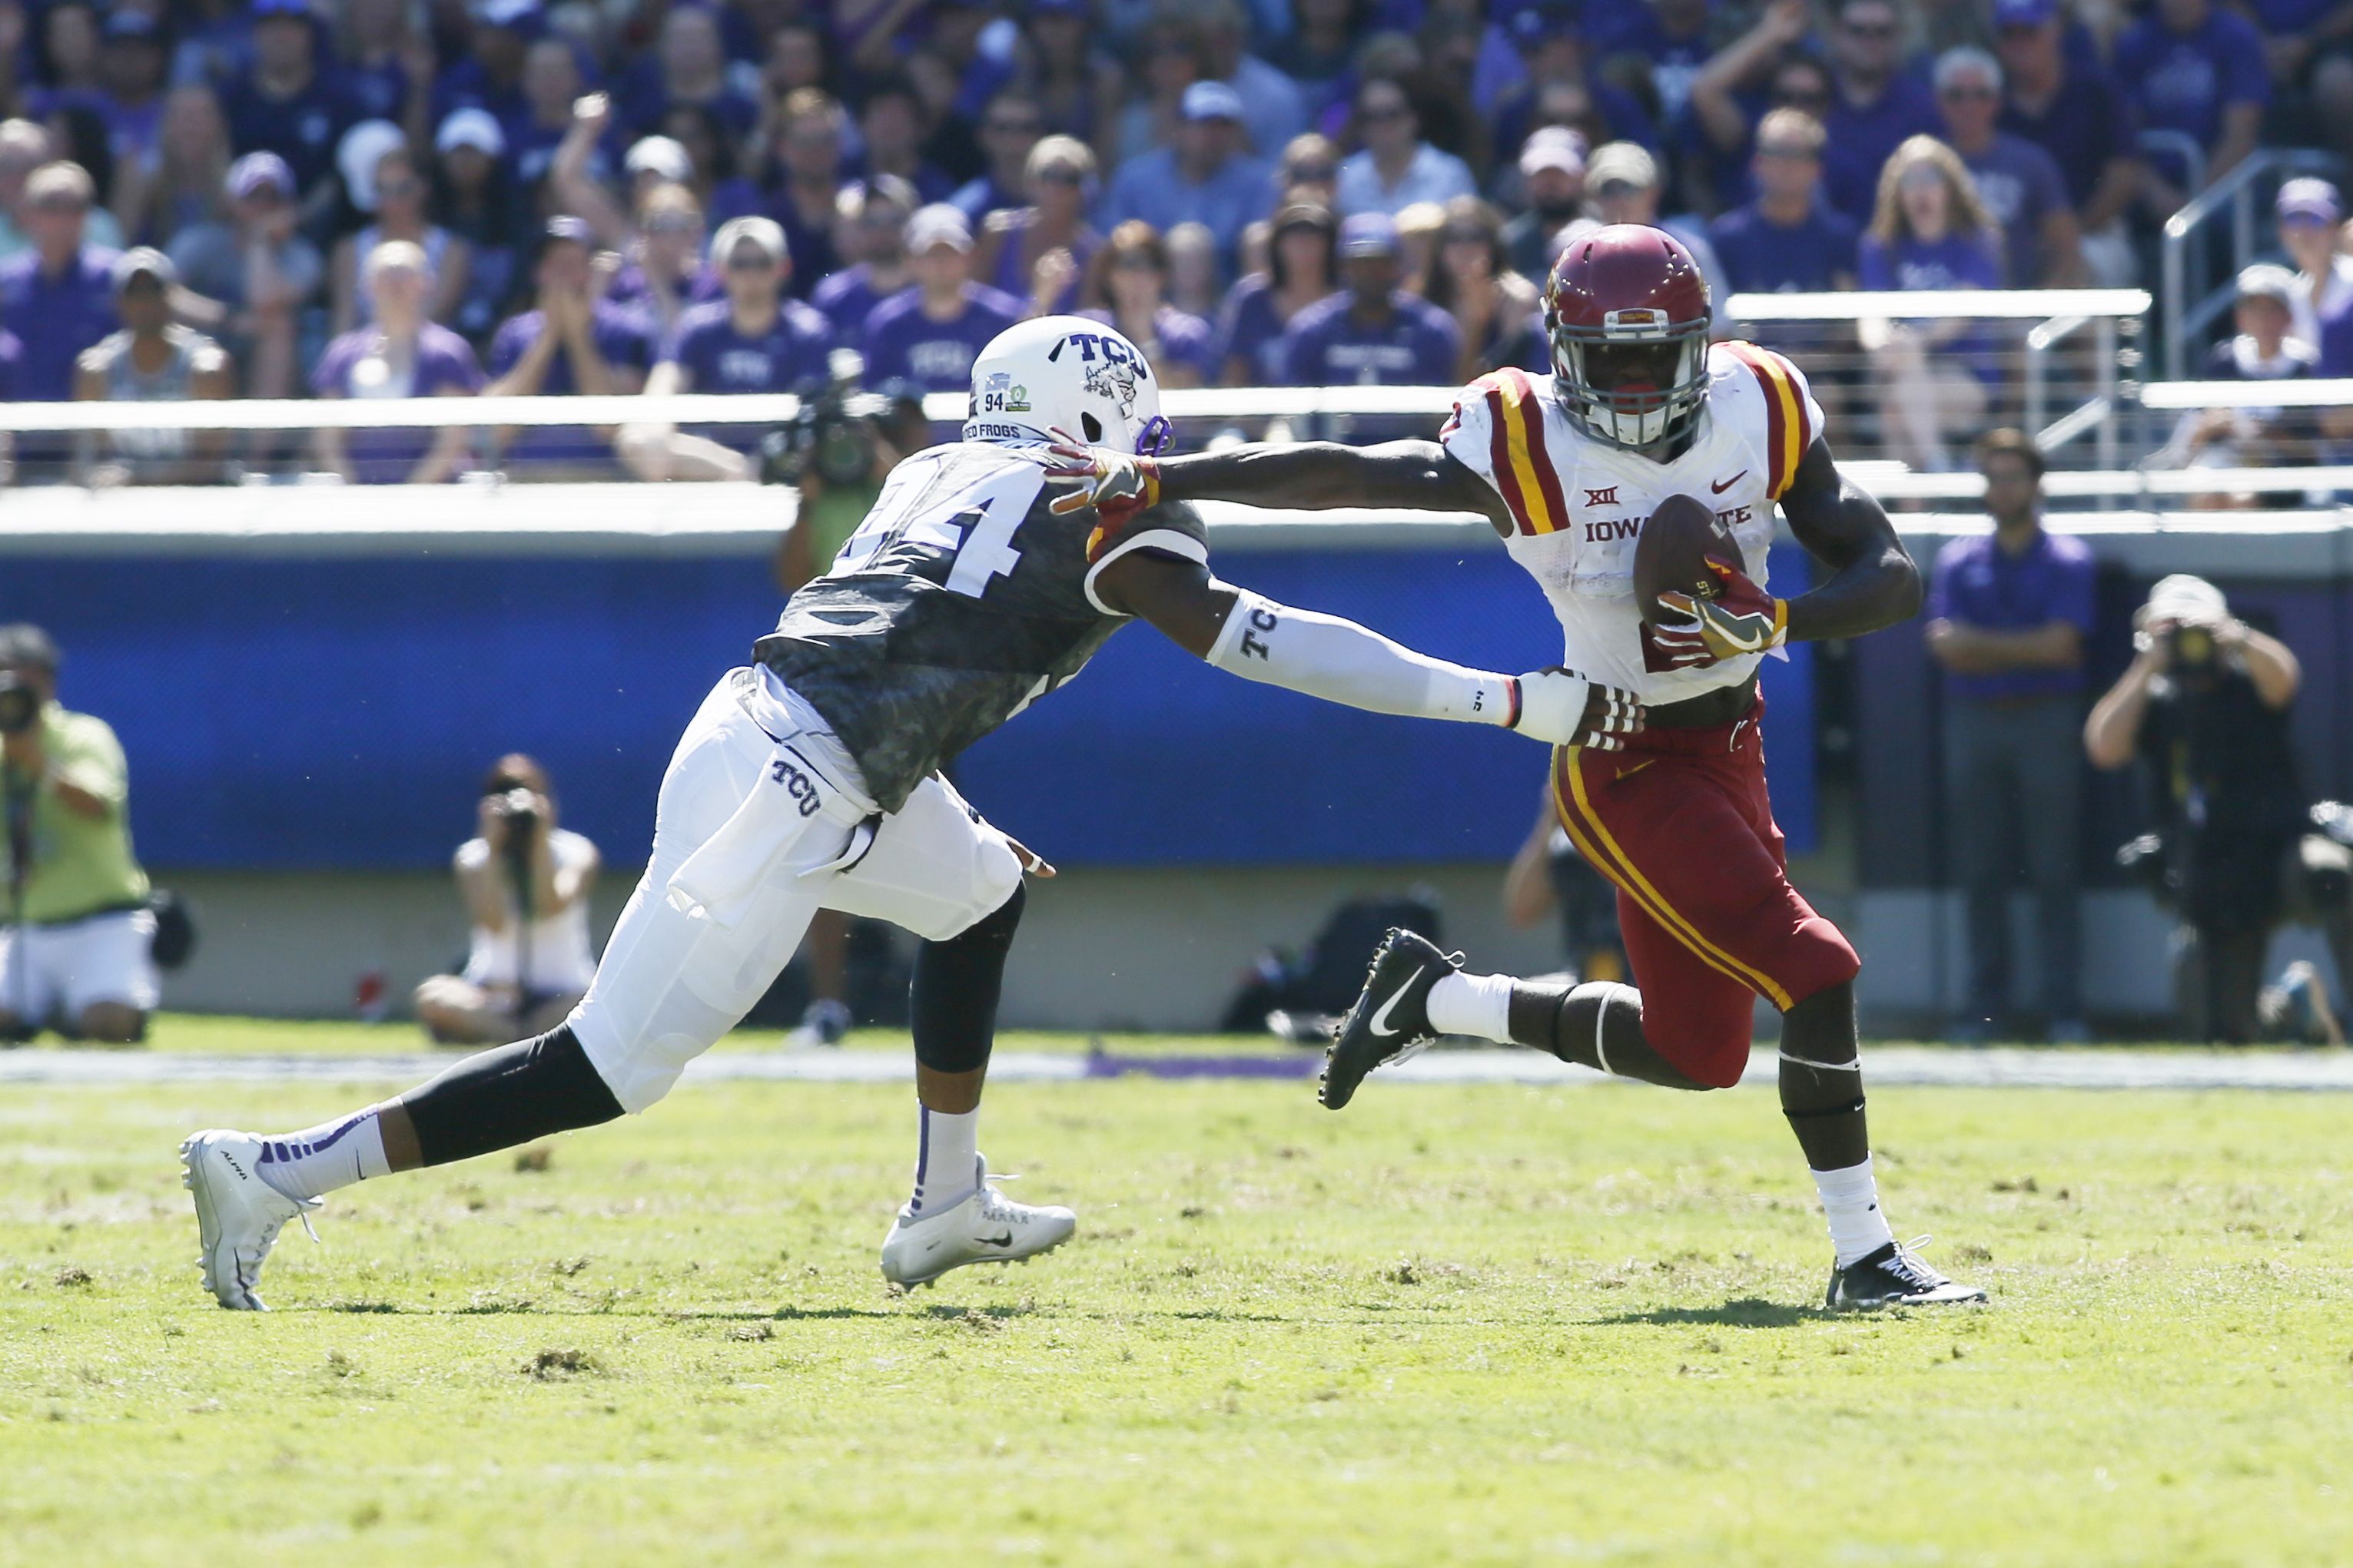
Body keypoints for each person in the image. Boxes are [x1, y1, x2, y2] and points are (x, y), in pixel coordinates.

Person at [177, 313, 1641, 1310]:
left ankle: (946, 1202)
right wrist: (1500, 700)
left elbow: (909, 637)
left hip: (800, 737)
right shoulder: (1095, 505)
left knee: (983, 892)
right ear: (1094, 414)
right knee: (609, 1070)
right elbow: (1273, 641)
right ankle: (278, 1174)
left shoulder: (937, 464)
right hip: (799, 771)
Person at [1050, 224, 1985, 1310]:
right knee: (1817, 970)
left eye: (1656, 358)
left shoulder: (1758, 401)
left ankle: (1439, 999)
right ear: (1558, 353)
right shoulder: (1524, 436)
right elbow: (1352, 473)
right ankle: (1865, 1257)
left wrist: (1774, 620)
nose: (1634, 387)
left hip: (1733, 740)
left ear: (1701, 345)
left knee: (1696, 1052)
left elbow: (1890, 576)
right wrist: (1165, 474)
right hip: (1619, 751)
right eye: (1609, 361)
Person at [2084, 576, 2318, 1043]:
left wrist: (2237, 637)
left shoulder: (2250, 678)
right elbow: (2104, 748)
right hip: (2206, 867)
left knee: (2331, 873)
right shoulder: (2158, 695)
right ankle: (2293, 1005)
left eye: (2196, 628)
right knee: (2224, 1027)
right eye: (2173, 628)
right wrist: (2149, 662)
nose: (2189, 641)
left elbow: (2285, 681)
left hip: (2273, 852)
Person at [1923, 429, 2094, 1042]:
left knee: (2056, 868)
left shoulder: (2068, 557)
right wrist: (2024, 649)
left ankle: (2065, 1010)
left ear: (2037, 484)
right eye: (1994, 477)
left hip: (2047, 719)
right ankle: (1983, 1011)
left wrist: (1982, 648)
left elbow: (2063, 645)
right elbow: (1944, 646)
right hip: (1974, 724)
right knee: (1980, 870)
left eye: (2014, 476)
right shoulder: (1958, 558)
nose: (2004, 489)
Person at [0, 623, 156, 1046]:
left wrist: (36, 763)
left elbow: (97, 804)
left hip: (101, 920)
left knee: (108, 1025)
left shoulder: (82, 735)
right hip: (23, 925)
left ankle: (92, 1008)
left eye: (20, 675)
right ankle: (40, 1011)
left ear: (47, 682)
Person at [619, 217, 833, 483]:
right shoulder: (698, 328)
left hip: (785, 465)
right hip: (710, 465)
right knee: (638, 440)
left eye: (762, 263)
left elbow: (816, 419)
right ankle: (744, 476)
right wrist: (733, 467)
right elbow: (660, 394)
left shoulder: (808, 332)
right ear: (720, 271)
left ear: (783, 268)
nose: (751, 274)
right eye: (740, 263)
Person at [412, 754, 601, 1046]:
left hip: (563, 994)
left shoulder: (576, 852)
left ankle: (514, 1038)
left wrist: (538, 842)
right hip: (494, 998)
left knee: (591, 1005)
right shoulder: (474, 858)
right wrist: (493, 846)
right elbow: (494, 922)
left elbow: (549, 908)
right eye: (503, 792)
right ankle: (523, 1039)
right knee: (434, 995)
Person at [1858, 137, 2005, 472]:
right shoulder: (1880, 245)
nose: (1920, 191)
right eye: (1910, 181)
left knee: (1895, 404)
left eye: (1930, 180)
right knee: (1899, 397)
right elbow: (1871, 313)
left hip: (1966, 376)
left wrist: (1916, 341)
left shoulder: (1979, 240)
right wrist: (1881, 343)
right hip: (1898, 367)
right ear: (1896, 191)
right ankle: (1937, 473)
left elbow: (1965, 310)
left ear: (1950, 188)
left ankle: (1921, 500)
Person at [483, 215, 655, 479]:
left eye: (573, 264)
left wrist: (577, 337)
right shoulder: (515, 333)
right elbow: (499, 429)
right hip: (527, 479)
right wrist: (548, 337)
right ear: (539, 272)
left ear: (590, 270)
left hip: (604, 481)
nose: (563, 275)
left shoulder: (624, 329)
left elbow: (608, 425)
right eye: (555, 265)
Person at [310, 239, 486, 485]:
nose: (394, 284)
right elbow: (327, 440)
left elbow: (453, 440)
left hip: (433, 499)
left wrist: (409, 496)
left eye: (404, 273)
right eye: (385, 274)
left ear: (426, 283)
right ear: (367, 286)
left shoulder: (447, 352)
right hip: (359, 501)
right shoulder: (342, 353)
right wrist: (357, 493)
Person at [1994, 0, 2143, 289]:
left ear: (2055, 31)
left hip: (2095, 236)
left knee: (2072, 270)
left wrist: (2067, 235)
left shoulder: (2095, 91)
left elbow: (2125, 176)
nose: (2020, 43)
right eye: (2009, 34)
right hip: (2014, 246)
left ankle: (2034, 333)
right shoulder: (1987, 101)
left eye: (2029, 31)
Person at [72, 246, 234, 487]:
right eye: (134, 293)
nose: (144, 302)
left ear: (172, 297)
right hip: (123, 506)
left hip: (195, 501)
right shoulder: (98, 371)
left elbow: (212, 466)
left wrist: (138, 479)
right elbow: (87, 464)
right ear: (118, 302)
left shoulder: (204, 368)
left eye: (154, 290)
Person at [167, 151, 321, 403]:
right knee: (205, 357)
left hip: (274, 358)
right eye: (254, 196)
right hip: (207, 341)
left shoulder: (303, 257)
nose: (264, 205)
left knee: (278, 331)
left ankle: (260, 442)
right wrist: (229, 319)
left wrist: (260, 242)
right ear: (232, 201)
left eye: (274, 197)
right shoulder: (201, 242)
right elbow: (164, 293)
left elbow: (263, 300)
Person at [2157, 264, 2321, 492]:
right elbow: (2185, 444)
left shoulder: (2306, 367)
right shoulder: (2221, 362)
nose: (2263, 320)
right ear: (2240, 317)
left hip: (2284, 475)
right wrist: (2211, 426)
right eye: (2254, 309)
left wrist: (2266, 435)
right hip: (2223, 462)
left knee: (2243, 495)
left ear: (2288, 317)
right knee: (2205, 488)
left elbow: (2320, 448)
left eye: (2272, 310)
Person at [1931, 47, 2081, 288]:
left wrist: (2041, 313)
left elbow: (2065, 248)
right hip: (1936, 307)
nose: (1969, 105)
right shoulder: (1922, 165)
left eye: (1981, 94)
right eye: (1956, 95)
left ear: (1997, 101)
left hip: (2017, 309)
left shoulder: (2031, 162)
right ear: (1939, 101)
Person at [1279, 212, 1460, 399]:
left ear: (1397, 265)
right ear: (1343, 267)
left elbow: (1440, 408)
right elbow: (1295, 406)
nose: (1371, 273)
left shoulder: (1431, 330)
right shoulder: (1311, 330)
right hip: (1330, 429)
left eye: (1381, 263)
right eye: (1361, 264)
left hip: (1412, 430)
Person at [1098, 81, 1272, 275]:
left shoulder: (1258, 183)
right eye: (1205, 125)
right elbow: (1111, 244)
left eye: (1223, 126)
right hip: (1147, 290)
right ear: (1180, 129)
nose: (1214, 136)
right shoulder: (1135, 180)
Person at [2112, 0, 2270, 207]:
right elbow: (2123, 136)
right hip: (2154, 185)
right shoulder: (2133, 43)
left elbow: (2240, 137)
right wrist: (2158, 195)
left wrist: (2195, 204)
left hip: (2221, 181)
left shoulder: (2237, 37)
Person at [858, 204, 1022, 396]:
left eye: (951, 253)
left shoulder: (1002, 319)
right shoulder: (888, 324)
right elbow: (872, 394)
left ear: (970, 257)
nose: (941, 263)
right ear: (911, 260)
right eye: (931, 254)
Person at [1706, 108, 1860, 307]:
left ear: (1817, 168)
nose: (1785, 165)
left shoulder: (1841, 237)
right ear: (1757, 163)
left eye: (1796, 155)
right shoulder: (1727, 237)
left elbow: (1848, 321)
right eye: (1775, 153)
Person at [0, 161, 119, 404]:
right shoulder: (6, 282)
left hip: (91, 428)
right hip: (18, 426)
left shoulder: (116, 278)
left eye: (75, 206)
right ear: (28, 214)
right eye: (51, 205)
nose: (63, 218)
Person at [329, 138, 469, 335]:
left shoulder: (452, 251)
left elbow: (436, 315)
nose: (392, 202)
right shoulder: (349, 250)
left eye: (402, 190)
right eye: (383, 190)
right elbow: (344, 321)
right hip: (364, 357)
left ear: (423, 189)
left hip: (428, 357)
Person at [1819, 0, 1940, 222]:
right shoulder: (1810, 96)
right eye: (1858, 31)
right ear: (1837, 34)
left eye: (1882, 32)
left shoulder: (1922, 107)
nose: (1870, 41)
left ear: (1898, 38)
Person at [971, 134, 1099, 320]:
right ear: (1031, 182)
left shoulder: (1094, 253)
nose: (1057, 187)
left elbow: (1088, 319)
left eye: (1069, 178)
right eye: (1049, 175)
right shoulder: (997, 233)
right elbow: (974, 303)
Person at [1422, 195, 1546, 382]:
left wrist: (1476, 325)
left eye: (1475, 237)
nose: (1465, 248)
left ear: (1494, 244)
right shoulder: (1423, 295)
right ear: (1439, 247)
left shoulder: (1518, 299)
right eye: (1454, 238)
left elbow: (1508, 380)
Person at [1216, 200, 1336, 388]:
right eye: (1294, 238)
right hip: (1261, 413)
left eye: (1313, 238)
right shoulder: (1252, 300)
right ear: (1277, 246)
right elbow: (1235, 371)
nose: (1304, 247)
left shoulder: (1346, 301)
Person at [1084, 220, 1215, 390]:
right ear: (1109, 275)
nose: (1137, 277)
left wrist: (1146, 338)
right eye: (1126, 264)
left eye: (1147, 265)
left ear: (1161, 275)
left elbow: (1177, 400)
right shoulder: (1089, 330)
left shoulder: (1186, 334)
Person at [1334, 75, 1475, 219]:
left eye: (1392, 114)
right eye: (1372, 117)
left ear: (1413, 118)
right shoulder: (1346, 177)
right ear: (1361, 126)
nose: (1383, 125)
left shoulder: (1449, 173)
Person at [811, 174, 917, 343]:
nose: (883, 231)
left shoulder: (930, 292)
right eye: (873, 222)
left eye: (894, 221)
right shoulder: (834, 296)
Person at [2275, 178, 2353, 365]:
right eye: (2294, 219)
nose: (2304, 230)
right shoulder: (2291, 293)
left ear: (2334, 228)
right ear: (2282, 231)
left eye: (2315, 219)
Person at [1500, 127, 1585, 281]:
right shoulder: (1509, 245)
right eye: (1541, 174)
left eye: (1560, 173)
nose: (1550, 183)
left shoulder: (1601, 235)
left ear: (1581, 178)